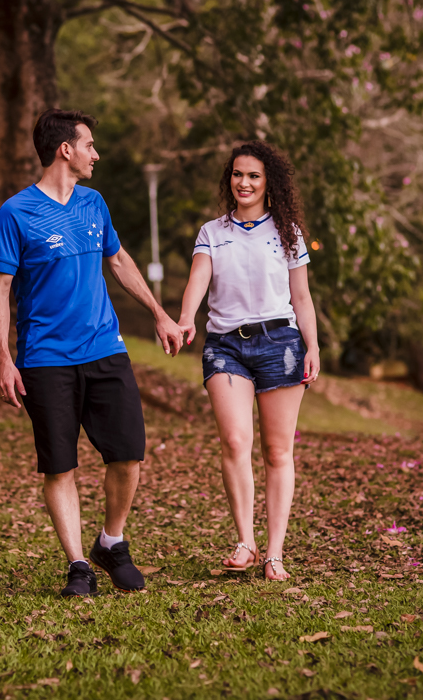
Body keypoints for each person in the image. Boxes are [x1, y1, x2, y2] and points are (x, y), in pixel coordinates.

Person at [0, 108, 185, 597]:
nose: (96, 154)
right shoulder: (16, 213)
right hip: (45, 358)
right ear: (65, 150)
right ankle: (78, 564)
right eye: (89, 145)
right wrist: (4, 358)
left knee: (128, 454)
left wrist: (159, 312)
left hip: (103, 348)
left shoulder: (94, 203)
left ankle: (111, 542)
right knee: (60, 466)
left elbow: (118, 260)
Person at [176, 141, 321, 581]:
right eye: (238, 174)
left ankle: (274, 553)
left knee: (277, 451)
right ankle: (245, 541)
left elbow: (301, 297)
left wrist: (313, 346)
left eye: (254, 175)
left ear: (268, 182)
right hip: (226, 347)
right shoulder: (212, 232)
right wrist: (185, 319)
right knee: (236, 441)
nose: (244, 182)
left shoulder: (288, 232)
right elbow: (198, 279)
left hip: (281, 344)